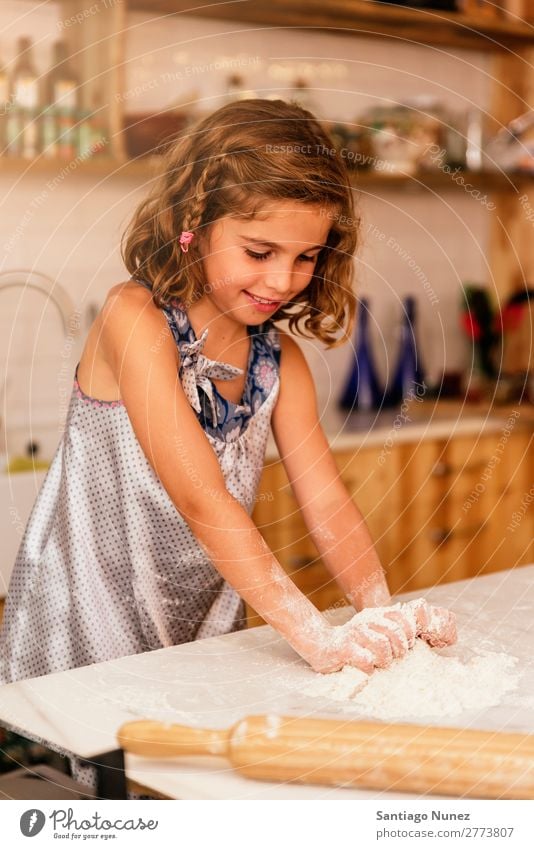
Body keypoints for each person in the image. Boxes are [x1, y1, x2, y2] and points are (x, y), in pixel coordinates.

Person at [0, 98, 455, 688]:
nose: (281, 280)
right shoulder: (133, 318)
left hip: (201, 631)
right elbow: (202, 500)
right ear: (195, 220)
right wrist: (317, 637)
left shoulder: (280, 360)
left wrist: (379, 612)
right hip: (88, 624)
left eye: (306, 257)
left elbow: (326, 502)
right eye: (259, 252)